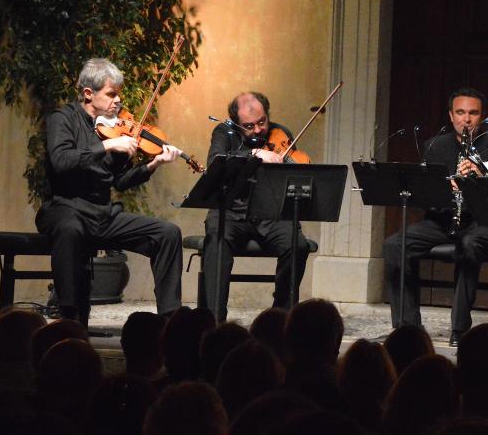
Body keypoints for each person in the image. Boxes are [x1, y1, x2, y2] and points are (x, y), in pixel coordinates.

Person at [35, 58, 183, 326]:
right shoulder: (63, 118)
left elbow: (120, 181)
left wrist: (151, 165)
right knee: (70, 229)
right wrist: (108, 146)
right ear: (89, 94)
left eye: (118, 94)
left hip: (101, 214)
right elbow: (61, 160)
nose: (118, 101)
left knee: (167, 233)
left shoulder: (110, 129)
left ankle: (170, 319)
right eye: (111, 94)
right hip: (65, 207)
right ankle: (70, 316)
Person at [382, 88, 488, 346]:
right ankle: (408, 327)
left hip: (483, 222)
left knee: (468, 246)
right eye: (460, 112)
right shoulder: (435, 146)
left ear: (482, 116)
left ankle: (460, 330)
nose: (466, 119)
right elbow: (424, 196)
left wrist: (481, 178)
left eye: (472, 113)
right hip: (444, 219)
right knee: (394, 245)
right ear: (450, 115)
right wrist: (445, 188)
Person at [202, 91, 315, 320]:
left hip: (270, 213)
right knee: (216, 242)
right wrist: (253, 153)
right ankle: (215, 320)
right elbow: (216, 160)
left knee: (298, 245)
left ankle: (281, 318)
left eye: (262, 122)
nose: (257, 130)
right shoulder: (224, 131)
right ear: (236, 122)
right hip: (231, 211)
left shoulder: (281, 133)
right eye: (249, 125)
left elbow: (296, 176)